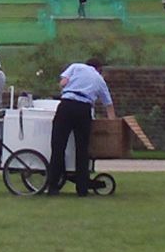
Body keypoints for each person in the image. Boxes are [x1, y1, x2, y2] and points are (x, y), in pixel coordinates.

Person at [46, 58, 116, 196]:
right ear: (99, 69)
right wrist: (112, 124)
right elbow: (108, 105)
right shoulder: (99, 79)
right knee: (82, 149)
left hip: (67, 105)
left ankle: (53, 186)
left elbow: (63, 83)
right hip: (84, 109)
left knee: (58, 146)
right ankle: (82, 188)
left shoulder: (76, 66)